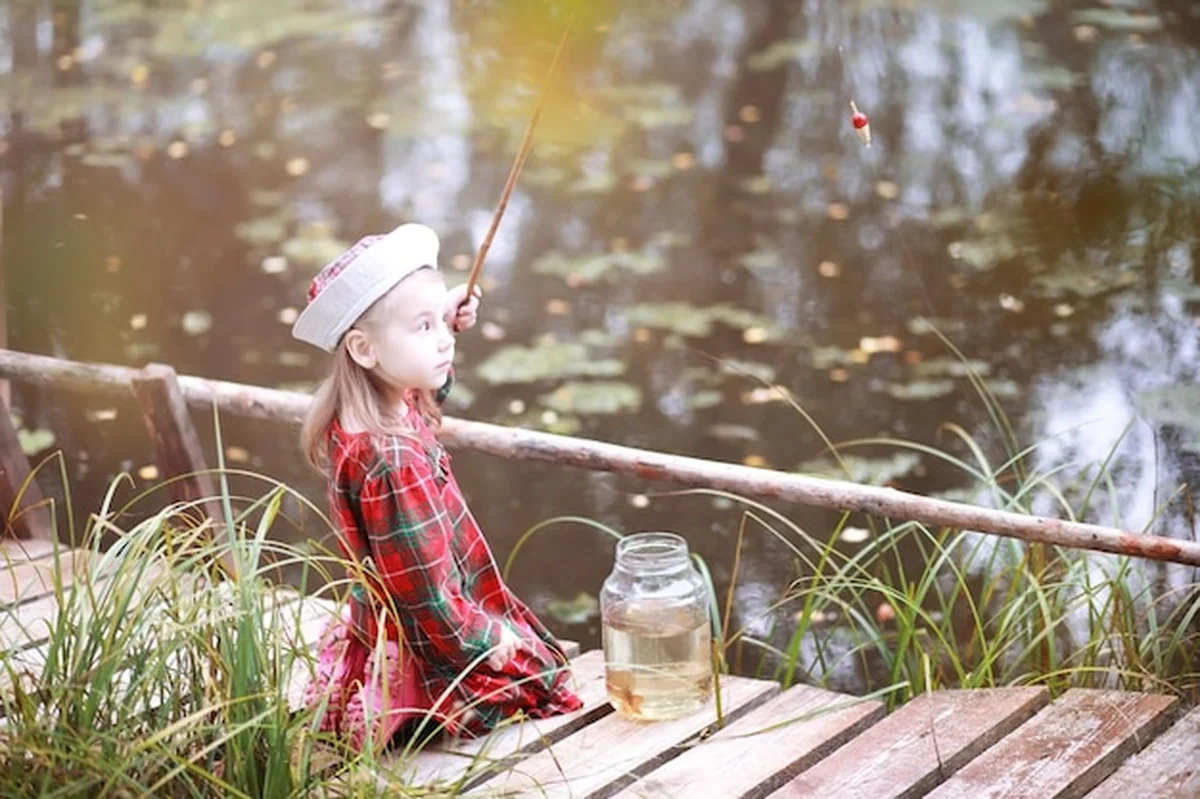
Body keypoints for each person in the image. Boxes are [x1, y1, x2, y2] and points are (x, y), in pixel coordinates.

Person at [291, 222, 583, 752]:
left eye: (441, 327)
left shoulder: (366, 410)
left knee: (536, 652)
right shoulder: (393, 460)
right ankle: (413, 713)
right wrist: (487, 640)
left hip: (402, 620)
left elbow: (424, 380)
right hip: (429, 639)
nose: (445, 341)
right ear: (362, 348)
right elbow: (425, 597)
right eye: (423, 328)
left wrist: (437, 316)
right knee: (545, 676)